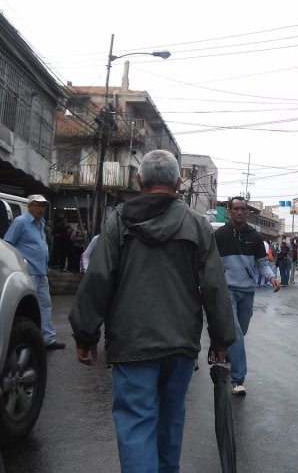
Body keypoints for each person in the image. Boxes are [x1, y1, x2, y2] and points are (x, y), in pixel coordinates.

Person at [69, 150, 235, 471]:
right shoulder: (198, 225)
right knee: (170, 422)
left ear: (139, 180)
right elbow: (214, 286)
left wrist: (85, 335)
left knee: (136, 424)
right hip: (180, 345)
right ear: (178, 181)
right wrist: (221, 340)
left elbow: (99, 278)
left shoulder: (118, 221)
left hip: (133, 343)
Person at [215, 196, 280, 396]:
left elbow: (262, 263)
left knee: (240, 332)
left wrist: (271, 278)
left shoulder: (255, 236)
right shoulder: (219, 235)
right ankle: (238, 379)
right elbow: (212, 263)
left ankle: (227, 351)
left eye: (244, 209)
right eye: (236, 209)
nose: (240, 212)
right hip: (227, 290)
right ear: (229, 211)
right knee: (235, 332)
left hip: (247, 291)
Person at [4, 195, 65, 350]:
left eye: (43, 206)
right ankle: (22, 339)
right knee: (26, 307)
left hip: (40, 271)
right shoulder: (21, 222)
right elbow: (8, 243)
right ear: (30, 206)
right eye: (38, 205)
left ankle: (47, 339)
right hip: (27, 272)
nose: (41, 209)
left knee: (45, 305)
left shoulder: (41, 223)